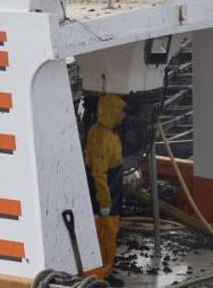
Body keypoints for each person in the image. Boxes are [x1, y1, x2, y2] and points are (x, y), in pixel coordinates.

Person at [85, 94, 127, 287]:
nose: (123, 115)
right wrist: (105, 202)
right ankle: (102, 274)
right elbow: (100, 174)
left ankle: (102, 271)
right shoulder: (103, 138)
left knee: (103, 234)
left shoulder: (102, 131)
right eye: (120, 111)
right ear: (111, 112)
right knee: (107, 235)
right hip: (107, 196)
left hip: (108, 194)